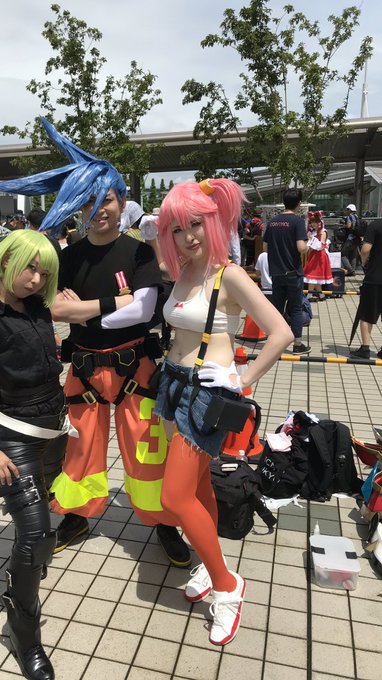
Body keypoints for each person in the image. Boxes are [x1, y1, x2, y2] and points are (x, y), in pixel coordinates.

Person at [0, 117, 191, 568]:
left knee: (146, 449)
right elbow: (52, 308)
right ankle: (78, 516)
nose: (99, 208)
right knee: (81, 449)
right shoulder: (66, 257)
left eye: (106, 198)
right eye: (88, 200)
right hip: (84, 369)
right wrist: (113, 302)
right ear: (76, 206)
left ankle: (163, 521)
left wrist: (82, 308)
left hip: (136, 368)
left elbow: (143, 310)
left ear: (121, 199)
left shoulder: (138, 251)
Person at [154, 178, 292, 645]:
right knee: (195, 489)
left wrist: (241, 377)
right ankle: (211, 565)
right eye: (177, 228)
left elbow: (281, 332)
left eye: (195, 224)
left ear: (213, 223)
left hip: (205, 396)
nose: (187, 236)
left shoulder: (228, 275)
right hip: (173, 386)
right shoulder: (183, 270)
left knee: (174, 498)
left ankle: (228, 586)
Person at [0, 229, 65, 680]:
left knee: (44, 522)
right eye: (30, 268)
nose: (37, 279)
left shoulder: (37, 305)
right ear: (5, 261)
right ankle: (25, 636)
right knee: (36, 536)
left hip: (53, 429)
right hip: (15, 436)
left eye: (44, 272)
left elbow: (74, 311)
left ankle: (27, 572)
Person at [263, 188, 310, 354]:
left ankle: (275, 342)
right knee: (296, 309)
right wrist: (308, 245)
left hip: (276, 272)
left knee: (277, 309)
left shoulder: (272, 222)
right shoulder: (297, 222)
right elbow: (301, 247)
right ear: (299, 204)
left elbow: (265, 247)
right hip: (293, 273)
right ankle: (297, 344)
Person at [349, 217, 382, 359]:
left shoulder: (375, 225)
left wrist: (364, 263)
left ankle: (365, 349)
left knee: (367, 314)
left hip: (375, 277)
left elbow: (366, 249)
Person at [303, 211, 333, 301]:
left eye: (315, 222)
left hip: (320, 256)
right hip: (314, 255)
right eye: (312, 222)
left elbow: (321, 245)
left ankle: (309, 296)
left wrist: (312, 239)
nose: (313, 224)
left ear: (319, 222)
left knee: (312, 275)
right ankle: (321, 295)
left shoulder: (323, 232)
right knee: (314, 276)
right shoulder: (313, 232)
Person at [341, 203, 361, 276]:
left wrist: (343, 225)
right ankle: (352, 271)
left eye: (347, 209)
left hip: (350, 238)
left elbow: (349, 226)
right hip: (357, 238)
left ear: (349, 210)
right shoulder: (357, 216)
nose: (346, 211)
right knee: (353, 255)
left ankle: (350, 270)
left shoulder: (350, 216)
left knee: (342, 254)